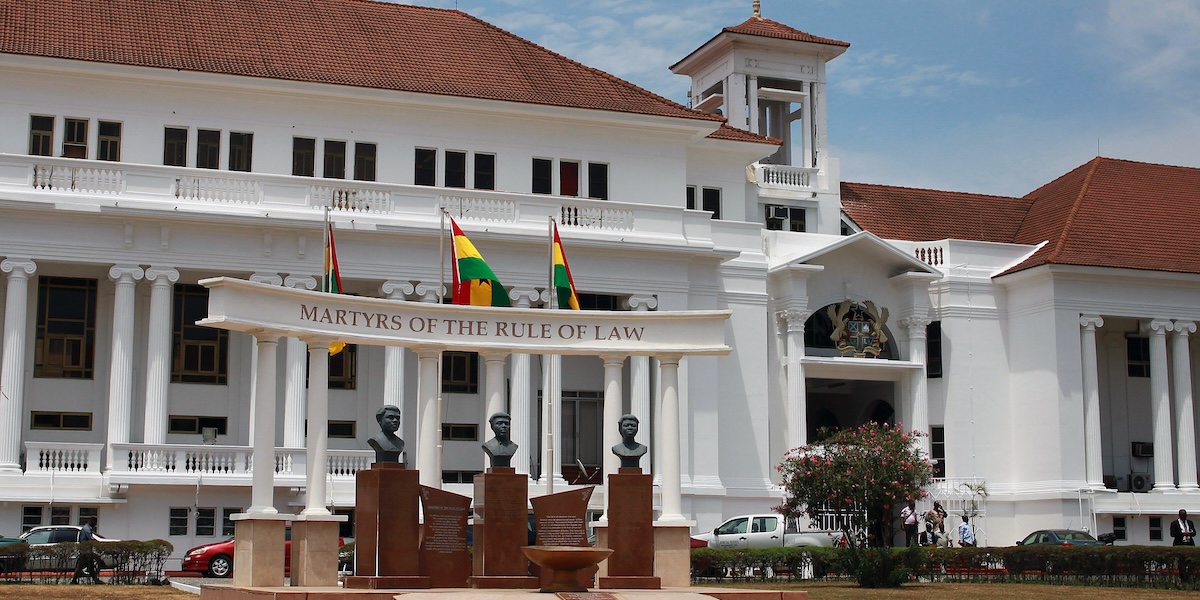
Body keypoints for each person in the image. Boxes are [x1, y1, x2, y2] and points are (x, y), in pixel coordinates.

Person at [71, 516, 104, 584]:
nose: (95, 524)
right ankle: (74, 580)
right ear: (92, 521)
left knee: (91, 566)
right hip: (85, 551)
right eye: (95, 522)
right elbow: (91, 539)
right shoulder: (87, 529)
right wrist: (99, 544)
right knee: (80, 566)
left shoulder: (87, 528)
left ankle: (95, 579)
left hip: (87, 550)